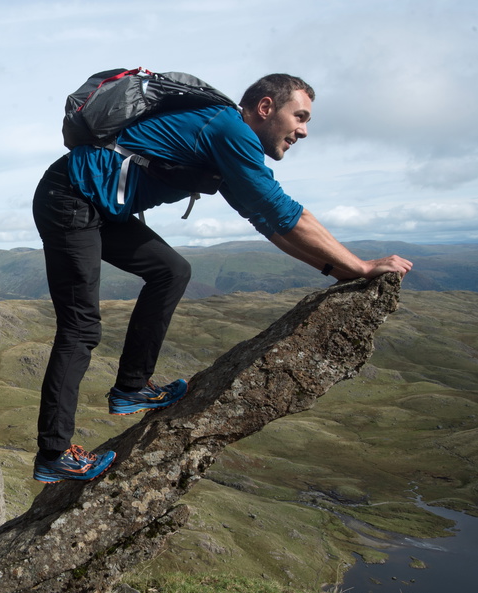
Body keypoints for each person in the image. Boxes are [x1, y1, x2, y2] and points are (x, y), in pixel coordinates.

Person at [30, 73, 413, 484]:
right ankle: (54, 453)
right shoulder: (229, 129)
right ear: (265, 108)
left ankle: (131, 389)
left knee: (172, 271)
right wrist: (361, 268)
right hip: (70, 197)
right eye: (300, 117)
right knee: (81, 328)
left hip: (97, 206)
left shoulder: (224, 142)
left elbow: (269, 222)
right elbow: (286, 213)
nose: (303, 131)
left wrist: (336, 270)